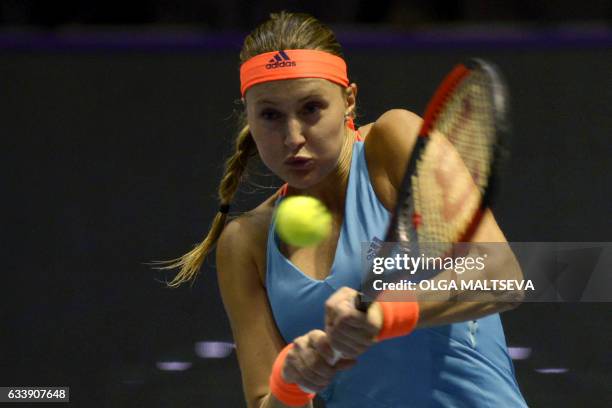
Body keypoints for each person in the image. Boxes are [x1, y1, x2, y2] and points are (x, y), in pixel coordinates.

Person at [165, 11, 528, 408]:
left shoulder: (394, 141)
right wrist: (292, 383)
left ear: (349, 101)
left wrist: (382, 314)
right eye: (270, 115)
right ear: (248, 117)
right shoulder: (244, 243)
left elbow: (503, 274)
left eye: (311, 108)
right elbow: (262, 401)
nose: (293, 137)